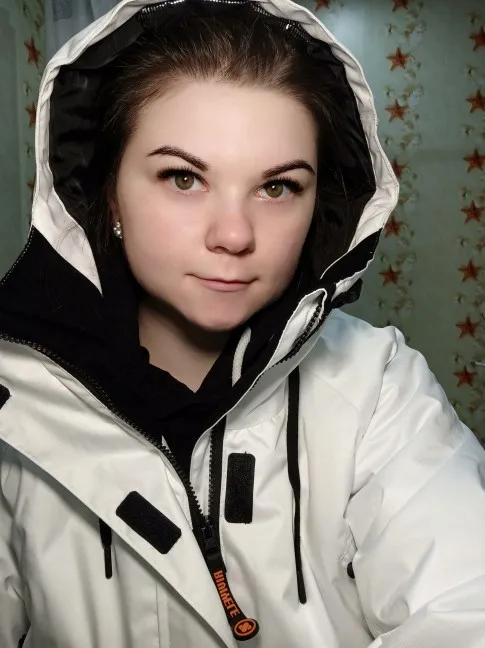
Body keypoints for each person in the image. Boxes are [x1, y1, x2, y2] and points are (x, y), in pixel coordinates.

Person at [0, 0, 484, 646]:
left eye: (277, 188)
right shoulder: (13, 405)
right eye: (183, 178)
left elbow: (467, 607)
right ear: (109, 194)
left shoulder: (377, 388)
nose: (233, 234)